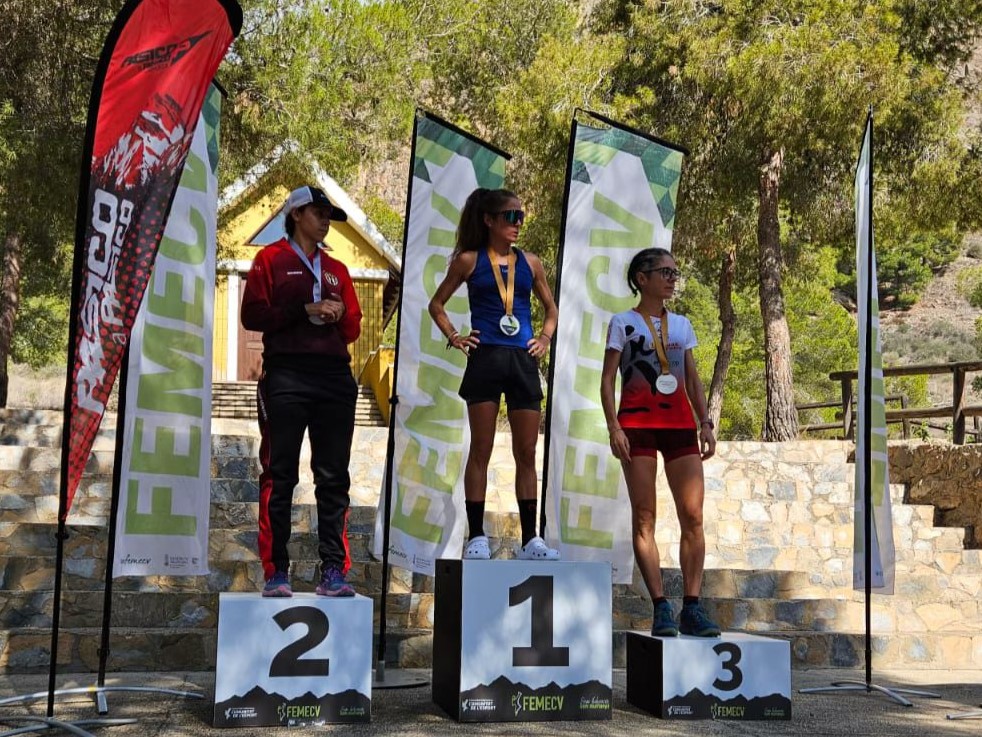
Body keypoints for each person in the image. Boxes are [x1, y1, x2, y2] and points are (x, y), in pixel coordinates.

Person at [241, 184, 363, 598]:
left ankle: (333, 570)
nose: (326, 221)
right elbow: (251, 315)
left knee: (334, 479)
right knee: (280, 474)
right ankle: (276, 570)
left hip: (334, 379)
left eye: (330, 215)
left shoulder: (338, 270)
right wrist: (302, 310)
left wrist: (340, 313)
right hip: (286, 376)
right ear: (296, 214)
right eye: (319, 212)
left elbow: (353, 329)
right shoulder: (269, 260)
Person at [428, 188, 559, 561]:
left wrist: (545, 338)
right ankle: (477, 536)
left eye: (521, 216)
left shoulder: (531, 263)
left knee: (527, 451)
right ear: (489, 220)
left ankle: (532, 539)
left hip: (522, 360)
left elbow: (551, 308)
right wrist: (454, 336)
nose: (517, 224)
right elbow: (435, 304)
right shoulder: (468, 261)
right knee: (481, 448)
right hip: (485, 358)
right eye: (510, 217)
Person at [600, 247, 721, 637]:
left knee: (694, 516)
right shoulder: (623, 322)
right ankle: (660, 607)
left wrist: (705, 421)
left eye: (675, 271)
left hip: (679, 426)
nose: (672, 278)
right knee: (644, 517)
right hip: (636, 426)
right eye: (664, 272)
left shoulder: (682, 325)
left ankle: (692, 606)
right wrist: (613, 427)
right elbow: (606, 381)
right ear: (642, 278)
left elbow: (692, 379)